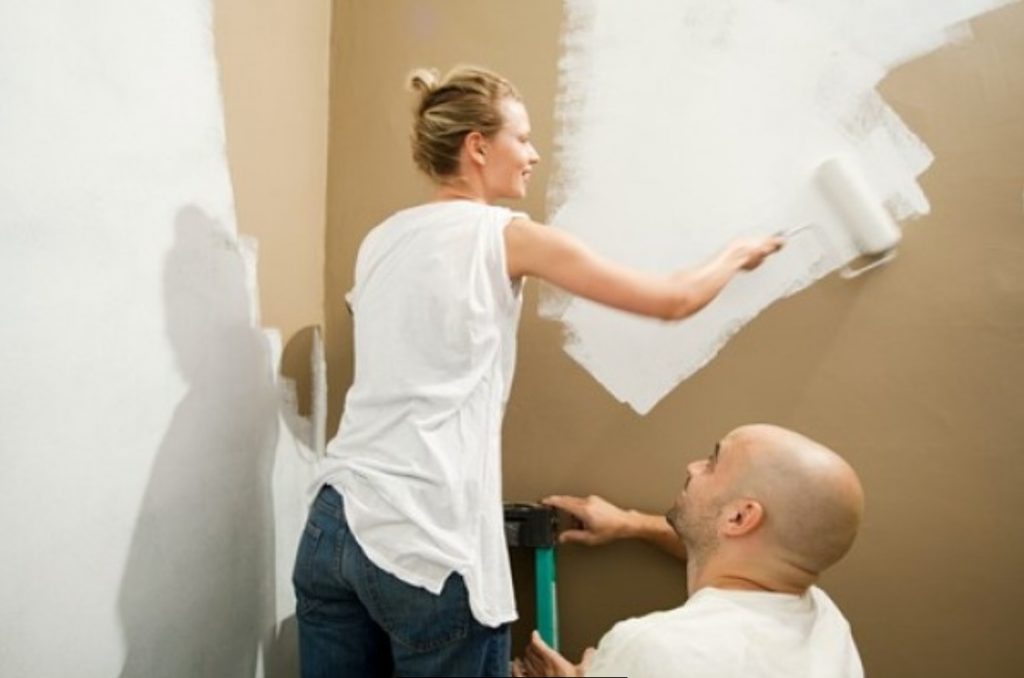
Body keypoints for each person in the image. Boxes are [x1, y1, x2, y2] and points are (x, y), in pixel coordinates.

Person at [292, 64, 784, 678]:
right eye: (521, 139)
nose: (533, 154)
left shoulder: (382, 240)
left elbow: (377, 316)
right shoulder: (506, 237)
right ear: (477, 146)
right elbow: (672, 300)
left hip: (335, 524)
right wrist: (739, 252)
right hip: (426, 541)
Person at [513, 424, 865, 678]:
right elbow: (731, 548)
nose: (693, 467)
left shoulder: (653, 646)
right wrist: (631, 523)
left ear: (740, 517)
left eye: (712, 462)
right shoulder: (827, 622)